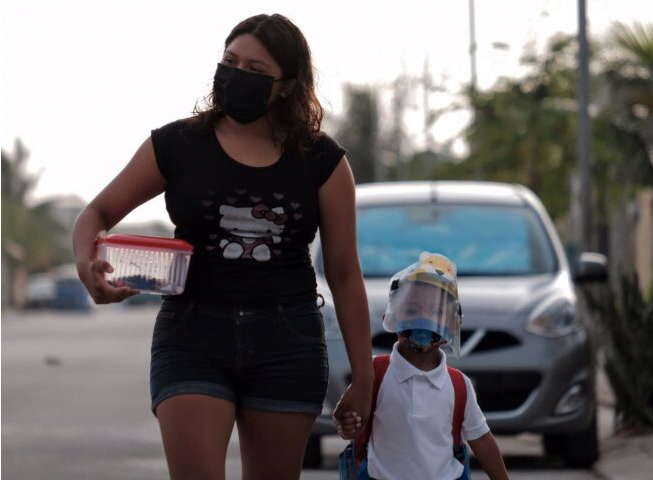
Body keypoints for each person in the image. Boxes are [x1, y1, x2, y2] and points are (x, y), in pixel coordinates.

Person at [72, 13, 373, 480]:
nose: (237, 76)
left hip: (287, 341)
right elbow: (96, 214)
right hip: (192, 333)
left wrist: (364, 377)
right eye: (230, 62)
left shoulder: (324, 162)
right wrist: (87, 264)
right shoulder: (177, 144)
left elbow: (345, 274)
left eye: (256, 71)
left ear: (289, 86)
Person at [336, 252, 510, 480]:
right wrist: (347, 424)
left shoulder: (458, 386)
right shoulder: (373, 374)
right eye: (412, 310)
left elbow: (482, 439)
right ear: (394, 315)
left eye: (436, 312)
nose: (423, 320)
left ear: (451, 323)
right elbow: (349, 418)